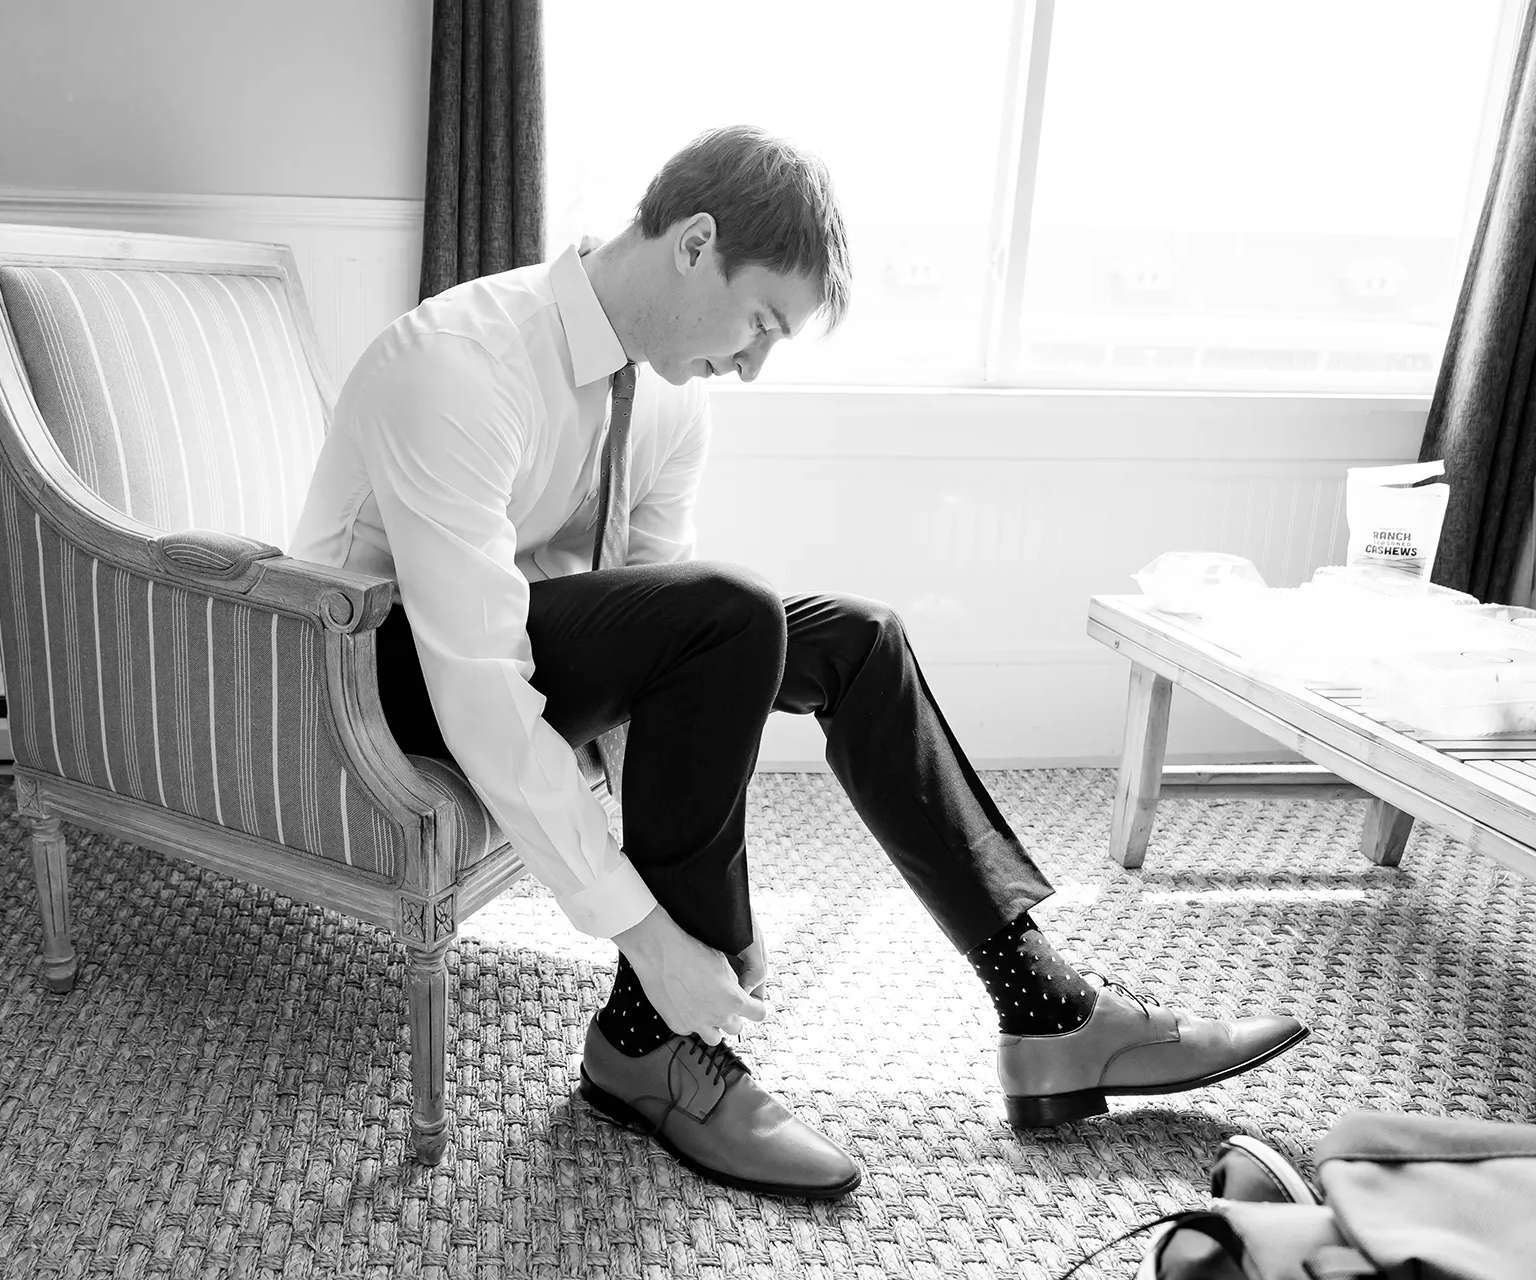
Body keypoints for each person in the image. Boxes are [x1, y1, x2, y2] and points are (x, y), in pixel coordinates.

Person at [290, 124, 1308, 1199]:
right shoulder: (461, 364)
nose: (753, 363)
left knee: (855, 637)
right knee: (729, 612)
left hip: (518, 636)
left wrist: (705, 902)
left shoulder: (672, 401)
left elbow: (655, 654)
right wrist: (659, 933)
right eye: (761, 321)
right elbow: (479, 686)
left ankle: (1045, 1004)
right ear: (694, 244)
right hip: (371, 666)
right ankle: (646, 1041)